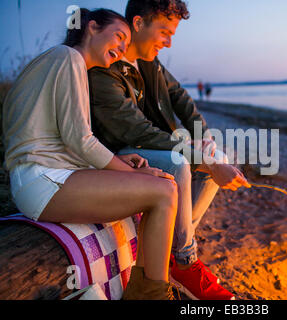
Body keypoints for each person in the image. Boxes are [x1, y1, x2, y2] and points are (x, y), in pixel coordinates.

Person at [2, 8, 179, 300]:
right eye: (119, 36)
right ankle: (153, 295)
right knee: (163, 191)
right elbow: (80, 140)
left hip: (48, 176)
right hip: (42, 182)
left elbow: (66, 142)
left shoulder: (62, 61)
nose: (123, 47)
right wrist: (135, 174)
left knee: (165, 188)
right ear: (93, 28)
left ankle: (147, 291)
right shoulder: (69, 57)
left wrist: (119, 162)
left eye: (126, 42)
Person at [88, 0, 250, 300]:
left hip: (151, 143)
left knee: (219, 157)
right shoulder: (105, 68)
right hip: (120, 152)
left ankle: (174, 255)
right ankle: (186, 261)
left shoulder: (149, 62)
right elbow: (136, 131)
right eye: (164, 31)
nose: (169, 41)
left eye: (172, 33)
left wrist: (205, 139)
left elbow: (181, 98)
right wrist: (196, 154)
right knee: (179, 163)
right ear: (138, 23)